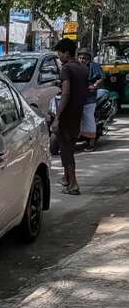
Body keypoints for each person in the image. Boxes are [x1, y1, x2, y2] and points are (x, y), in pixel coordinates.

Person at [53, 38, 88, 195]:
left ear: (66, 52)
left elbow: (66, 93)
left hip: (67, 115)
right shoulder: (82, 68)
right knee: (68, 149)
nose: (59, 56)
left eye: (60, 52)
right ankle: (67, 180)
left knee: (66, 151)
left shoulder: (66, 68)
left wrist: (57, 116)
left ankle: (73, 184)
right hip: (77, 113)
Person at [77, 48, 103, 150]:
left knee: (88, 118)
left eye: (84, 58)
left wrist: (95, 85)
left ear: (88, 58)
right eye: (80, 57)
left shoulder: (94, 66)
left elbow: (101, 77)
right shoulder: (76, 67)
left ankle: (91, 142)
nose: (82, 60)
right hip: (77, 96)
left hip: (89, 96)